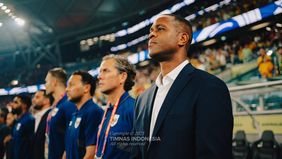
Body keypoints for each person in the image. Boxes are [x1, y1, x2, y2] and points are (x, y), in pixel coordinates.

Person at [131, 14, 233, 159]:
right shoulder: (142, 99)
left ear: (182, 39)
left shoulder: (210, 87)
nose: (152, 34)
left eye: (160, 28)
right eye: (150, 31)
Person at [95, 54, 136, 159]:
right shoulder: (107, 110)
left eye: (105, 71)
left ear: (122, 76)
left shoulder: (134, 108)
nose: (99, 76)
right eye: (100, 71)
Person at [63, 71, 103, 159]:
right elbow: (68, 149)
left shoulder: (94, 112)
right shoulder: (75, 114)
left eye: (71, 85)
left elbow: (90, 155)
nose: (67, 89)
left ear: (86, 88)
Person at [44, 68, 76, 159]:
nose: (45, 85)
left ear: (54, 82)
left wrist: (66, 152)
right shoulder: (57, 104)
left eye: (46, 81)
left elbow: (72, 135)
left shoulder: (69, 103)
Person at [11, 94, 35, 159]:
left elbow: (32, 144)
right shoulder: (18, 121)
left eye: (16, 102)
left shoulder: (29, 120)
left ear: (24, 105)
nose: (12, 105)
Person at [32, 90, 53, 159]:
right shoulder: (37, 116)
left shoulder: (51, 116)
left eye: (37, 97)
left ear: (46, 100)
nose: (33, 100)